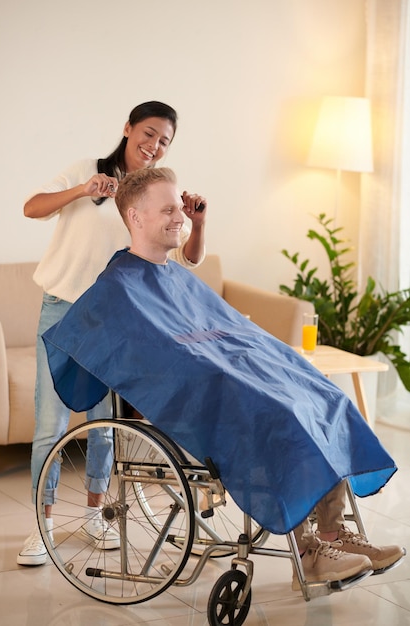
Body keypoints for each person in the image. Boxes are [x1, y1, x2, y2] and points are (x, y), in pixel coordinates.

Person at [42, 167, 405, 588]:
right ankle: (307, 556)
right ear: (135, 218)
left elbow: (227, 334)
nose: (179, 215)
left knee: (326, 397)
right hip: (198, 402)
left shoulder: (174, 274)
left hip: (233, 378)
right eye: (167, 209)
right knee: (285, 414)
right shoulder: (117, 286)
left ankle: (333, 532)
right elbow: (114, 346)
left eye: (179, 206)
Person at [17, 103, 207, 567]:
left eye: (164, 140)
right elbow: (31, 207)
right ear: (127, 129)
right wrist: (84, 190)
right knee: (50, 423)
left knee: (105, 425)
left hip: (117, 320)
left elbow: (189, 258)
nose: (154, 145)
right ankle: (41, 527)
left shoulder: (158, 192)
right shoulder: (89, 172)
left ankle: (94, 515)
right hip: (63, 310)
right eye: (148, 133)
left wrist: (196, 221)